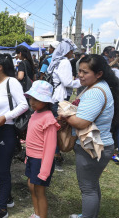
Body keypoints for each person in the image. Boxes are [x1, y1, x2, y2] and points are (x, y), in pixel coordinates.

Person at [63, 55, 119, 218]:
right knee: (92, 185)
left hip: (92, 147)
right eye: (79, 70)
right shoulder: (97, 86)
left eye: (85, 72)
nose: (80, 75)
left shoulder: (95, 92)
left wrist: (64, 114)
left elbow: (81, 123)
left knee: (87, 188)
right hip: (98, 144)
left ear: (99, 73)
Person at [0, 54, 28, 218]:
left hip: (7, 131)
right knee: (0, 167)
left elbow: (23, 105)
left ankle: (2, 209)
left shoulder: (12, 82)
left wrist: (6, 117)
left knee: (3, 170)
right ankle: (6, 197)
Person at [24, 80, 60, 218]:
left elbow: (50, 148)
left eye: (37, 99)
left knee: (40, 191)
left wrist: (44, 171)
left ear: (46, 101)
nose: (32, 102)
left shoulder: (48, 119)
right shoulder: (35, 114)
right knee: (32, 187)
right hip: (32, 159)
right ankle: (37, 214)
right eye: (31, 98)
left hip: (41, 161)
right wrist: (27, 157)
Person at [47, 38, 81, 171]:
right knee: (58, 129)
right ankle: (56, 157)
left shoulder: (56, 61)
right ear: (68, 50)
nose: (73, 53)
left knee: (54, 128)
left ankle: (54, 156)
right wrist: (82, 82)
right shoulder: (65, 62)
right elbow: (67, 83)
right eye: (72, 50)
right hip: (59, 99)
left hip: (53, 98)